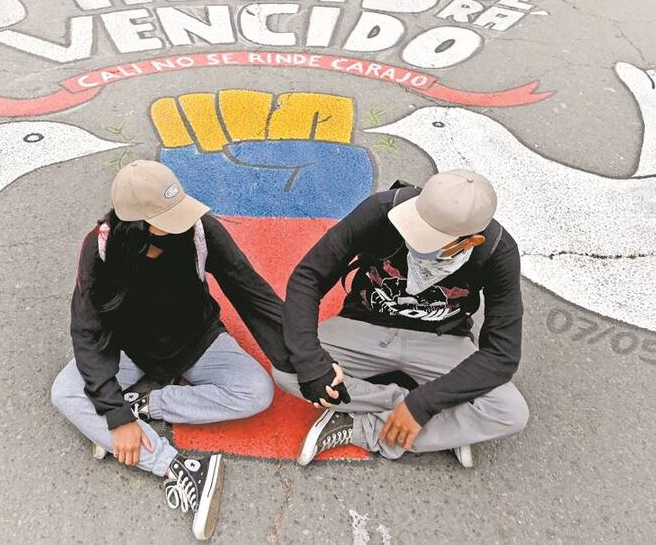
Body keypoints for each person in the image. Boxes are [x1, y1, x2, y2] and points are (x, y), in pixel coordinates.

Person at [50, 160, 292, 541]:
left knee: (257, 391)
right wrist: (116, 416)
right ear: (137, 224)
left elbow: (250, 290)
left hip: (197, 341)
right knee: (64, 392)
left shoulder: (198, 229)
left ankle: (145, 406)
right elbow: (87, 332)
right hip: (127, 350)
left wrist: (306, 360)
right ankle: (178, 467)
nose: (183, 219)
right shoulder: (100, 249)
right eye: (168, 215)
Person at [273, 169, 529, 468]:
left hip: (442, 339)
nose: (412, 239)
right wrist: (312, 364)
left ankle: (361, 427)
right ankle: (444, 422)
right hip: (364, 325)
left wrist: (423, 404)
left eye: (428, 239)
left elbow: (502, 354)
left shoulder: (498, 251)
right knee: (287, 368)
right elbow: (308, 276)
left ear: (470, 242)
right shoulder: (383, 209)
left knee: (510, 412)